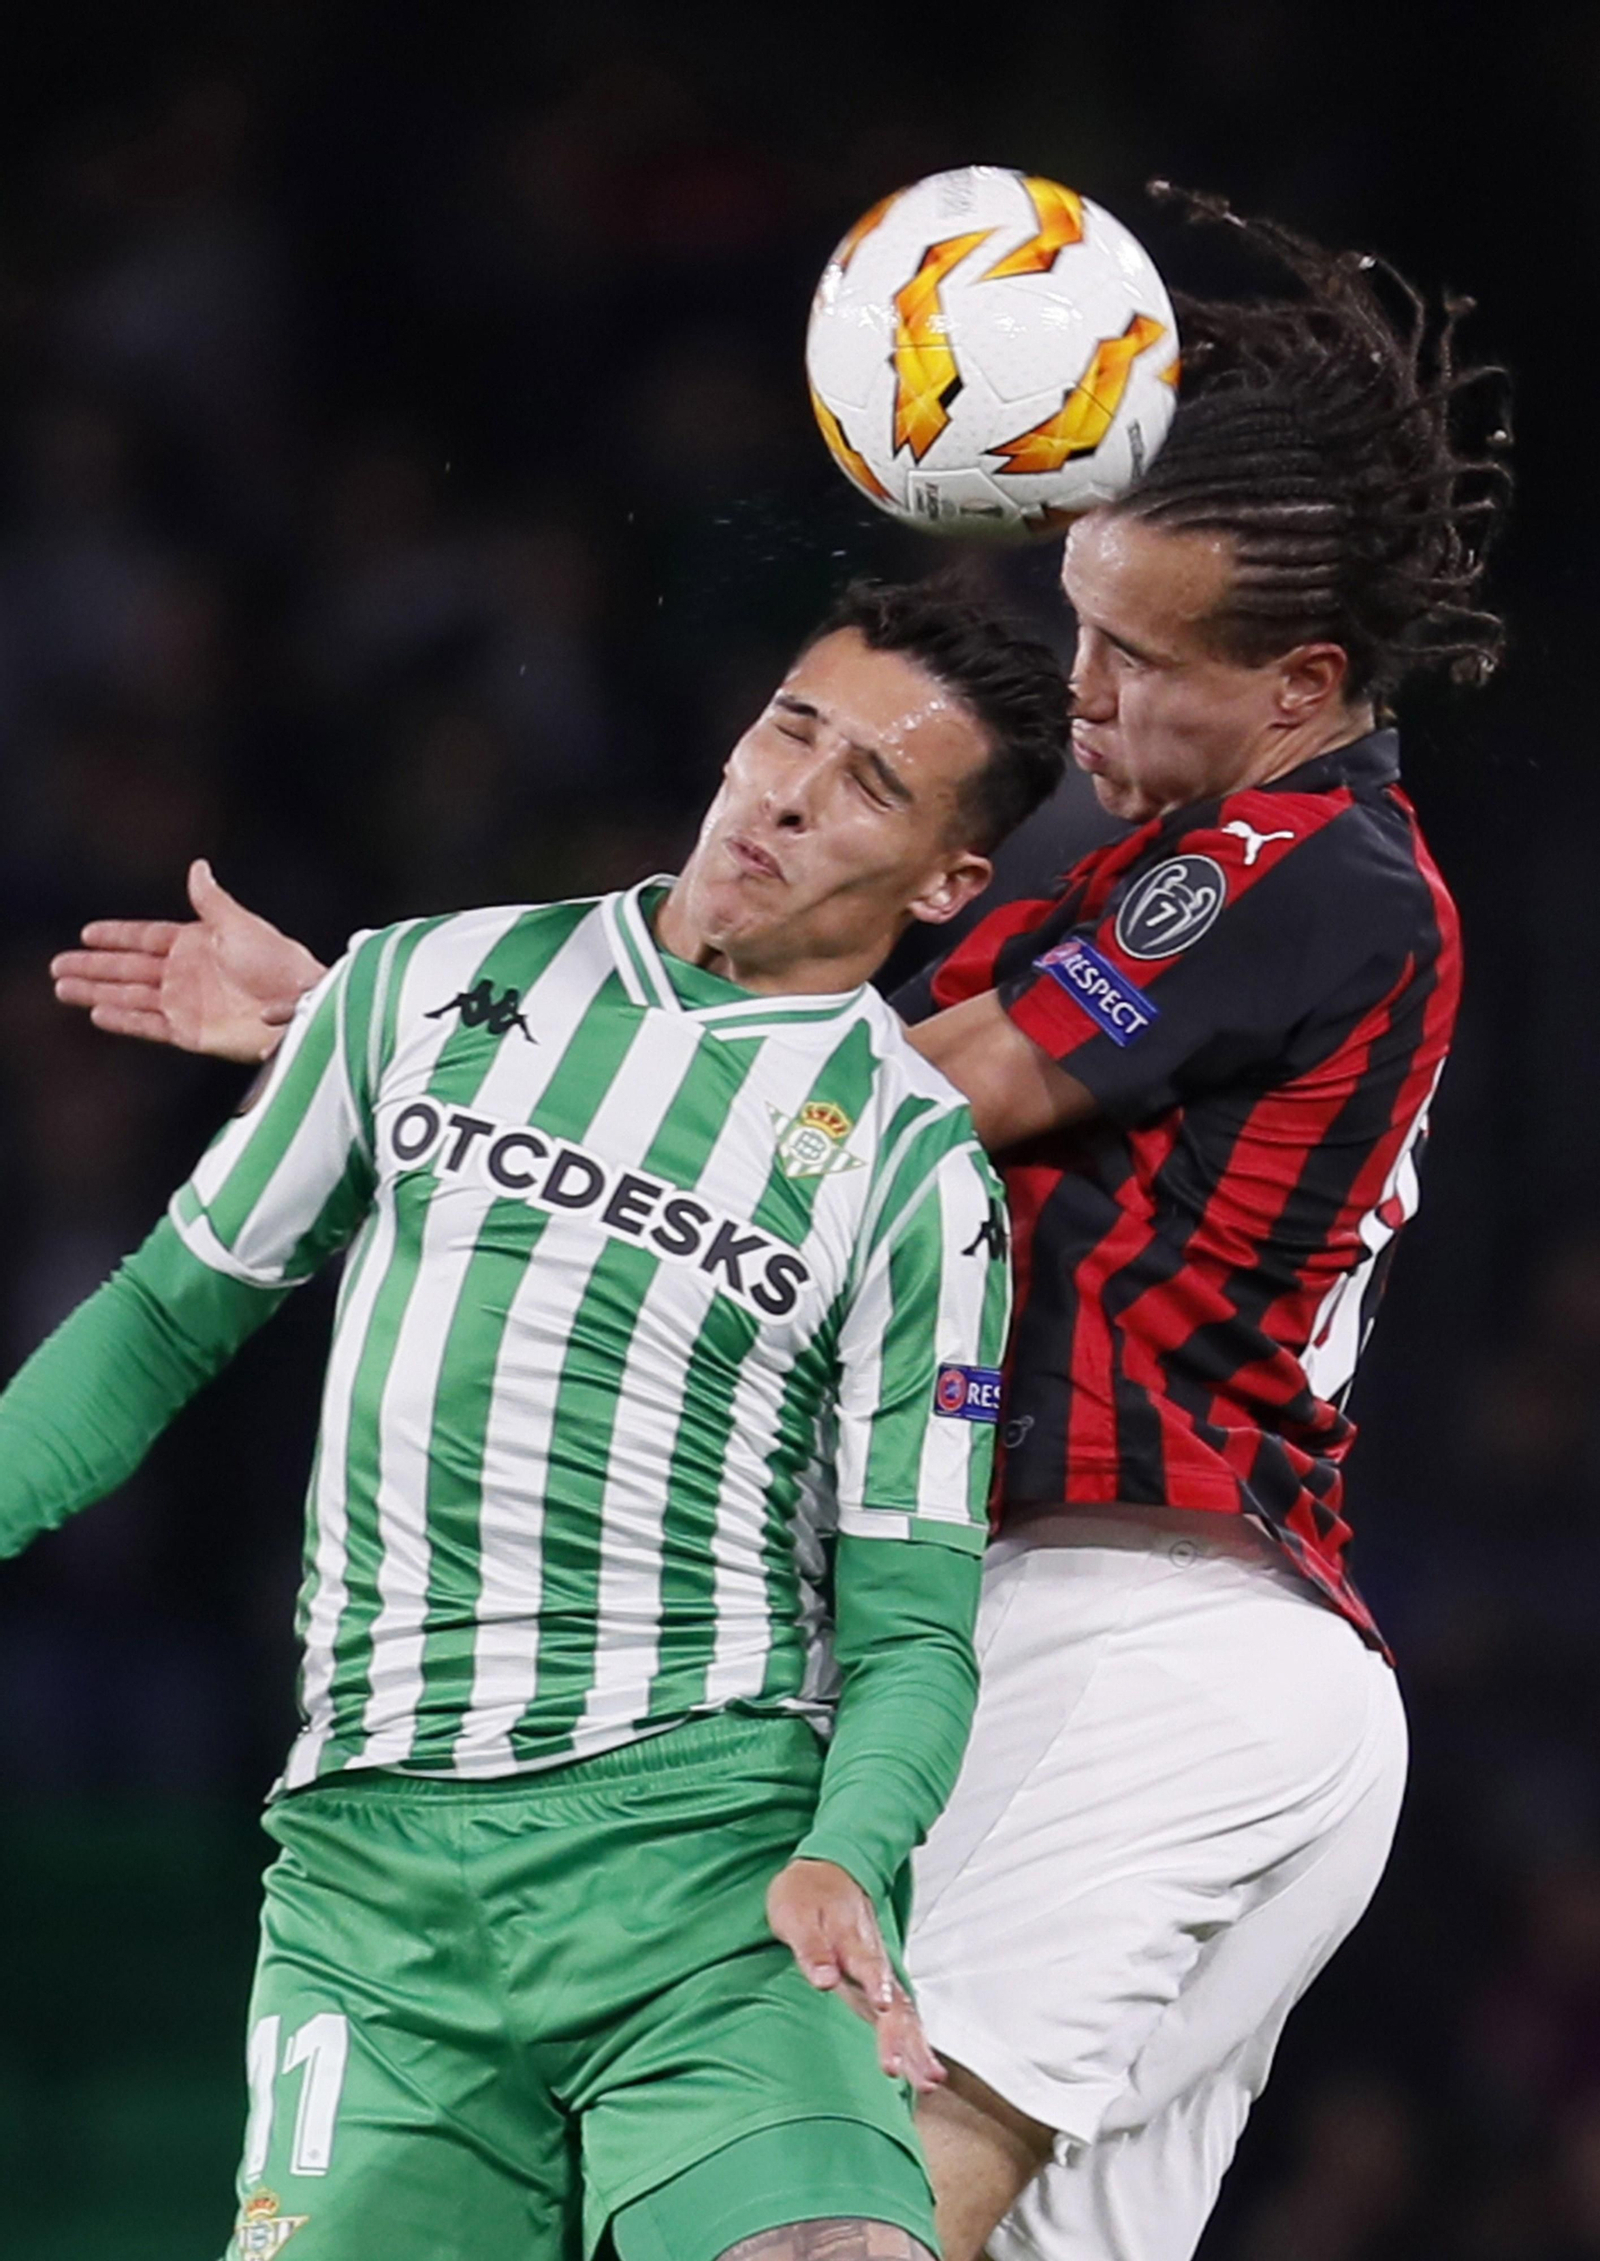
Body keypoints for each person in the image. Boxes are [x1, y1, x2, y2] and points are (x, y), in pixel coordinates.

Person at [47, 193, 1513, 2261]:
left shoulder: (1314, 869)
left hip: (1130, 1645)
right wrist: (369, 1028)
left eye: (1133, 656)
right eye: (1070, 620)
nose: (1076, 692)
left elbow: (900, 1093)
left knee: (820, 2231)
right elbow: (722, 1071)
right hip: (1133, 1663)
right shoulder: (1127, 868)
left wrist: (370, 1032)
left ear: (1301, 684)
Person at [1, 582, 1073, 2261]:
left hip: (713, 1870)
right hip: (378, 1878)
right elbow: (157, 1321)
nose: (788, 792)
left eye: (870, 779)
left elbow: (916, 1625)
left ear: (949, 881)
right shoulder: (425, 983)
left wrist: (850, 1849)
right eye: (791, 726)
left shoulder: (915, 1167)